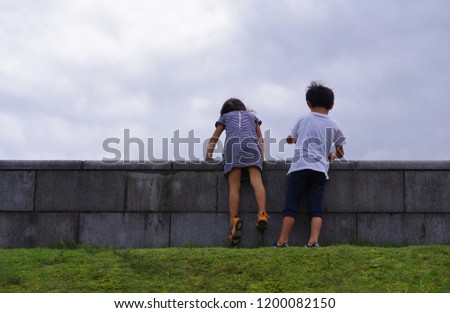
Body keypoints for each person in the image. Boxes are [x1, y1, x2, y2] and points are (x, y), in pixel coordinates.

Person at [273, 81, 346, 248]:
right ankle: (313, 241)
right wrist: (332, 155)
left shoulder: (303, 118)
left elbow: (291, 139)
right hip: (320, 169)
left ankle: (282, 241)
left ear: (308, 103)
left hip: (300, 167)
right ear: (332, 105)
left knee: (292, 204)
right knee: (315, 207)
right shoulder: (334, 125)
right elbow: (341, 153)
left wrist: (292, 139)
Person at [205, 98, 269, 245]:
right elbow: (260, 139)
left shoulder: (225, 117)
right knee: (257, 181)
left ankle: (234, 221)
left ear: (225, 110)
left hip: (233, 147)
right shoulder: (252, 117)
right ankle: (262, 214)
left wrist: (208, 156)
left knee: (234, 186)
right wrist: (262, 157)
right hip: (252, 147)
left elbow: (215, 137)